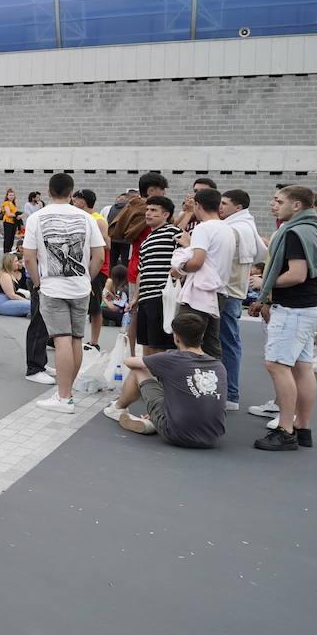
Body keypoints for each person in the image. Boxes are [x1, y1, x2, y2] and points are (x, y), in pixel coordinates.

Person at [253, 185, 317, 451]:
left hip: (295, 309)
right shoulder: (314, 227)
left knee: (277, 365)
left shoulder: (295, 232)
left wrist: (265, 284)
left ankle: (285, 430)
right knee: (302, 366)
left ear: (296, 206)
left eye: (279, 200)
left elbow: (297, 274)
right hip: (309, 306)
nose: (273, 204)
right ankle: (302, 427)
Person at [23, 173, 105, 414]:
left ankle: (64, 396)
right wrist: (87, 279)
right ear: (72, 192)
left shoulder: (37, 217)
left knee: (61, 340)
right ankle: (68, 392)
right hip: (80, 286)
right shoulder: (87, 217)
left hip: (52, 286)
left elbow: (28, 257)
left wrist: (38, 283)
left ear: (49, 192)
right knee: (76, 338)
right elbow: (99, 255)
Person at [108, 312, 227, 449]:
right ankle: (156, 418)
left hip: (176, 433)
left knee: (138, 371)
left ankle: (117, 408)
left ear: (176, 337)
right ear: (202, 335)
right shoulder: (218, 366)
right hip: (212, 436)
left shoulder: (172, 359)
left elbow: (129, 362)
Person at [171, 187, 233, 361]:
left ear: (198, 205)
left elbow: (197, 261)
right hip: (219, 290)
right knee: (211, 343)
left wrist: (181, 266)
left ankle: (189, 382)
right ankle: (214, 382)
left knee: (186, 340)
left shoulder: (203, 228)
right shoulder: (227, 228)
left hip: (200, 291)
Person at [220, 189, 267, 408]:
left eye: (225, 203)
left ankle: (229, 393)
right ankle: (229, 392)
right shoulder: (247, 225)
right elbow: (260, 252)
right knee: (229, 341)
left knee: (227, 342)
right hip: (234, 290)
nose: (221, 206)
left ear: (238, 207)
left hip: (227, 291)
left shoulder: (235, 228)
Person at [129, 196, 181, 360]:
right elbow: (141, 272)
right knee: (146, 343)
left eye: (153, 210)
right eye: (147, 210)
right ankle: (149, 381)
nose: (148, 214)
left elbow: (187, 256)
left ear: (166, 214)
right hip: (145, 298)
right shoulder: (146, 241)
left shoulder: (174, 232)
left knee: (160, 345)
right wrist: (136, 297)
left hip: (161, 297)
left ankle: (161, 381)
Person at [72, 189, 112, 351]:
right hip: (79, 267)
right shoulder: (79, 218)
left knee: (94, 308)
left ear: (83, 202)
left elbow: (107, 245)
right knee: (74, 304)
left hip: (97, 269)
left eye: (75, 200)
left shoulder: (98, 220)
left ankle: (94, 342)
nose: (73, 203)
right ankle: (66, 337)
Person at [0, 188, 20, 254]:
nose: (12, 196)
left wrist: (19, 216)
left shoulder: (14, 204)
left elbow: (15, 213)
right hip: (8, 222)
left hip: (13, 223)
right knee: (7, 238)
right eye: (10, 195)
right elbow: (8, 213)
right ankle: (6, 253)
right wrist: (16, 215)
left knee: (11, 239)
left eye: (13, 195)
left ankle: (9, 252)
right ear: (7, 196)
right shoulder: (6, 203)